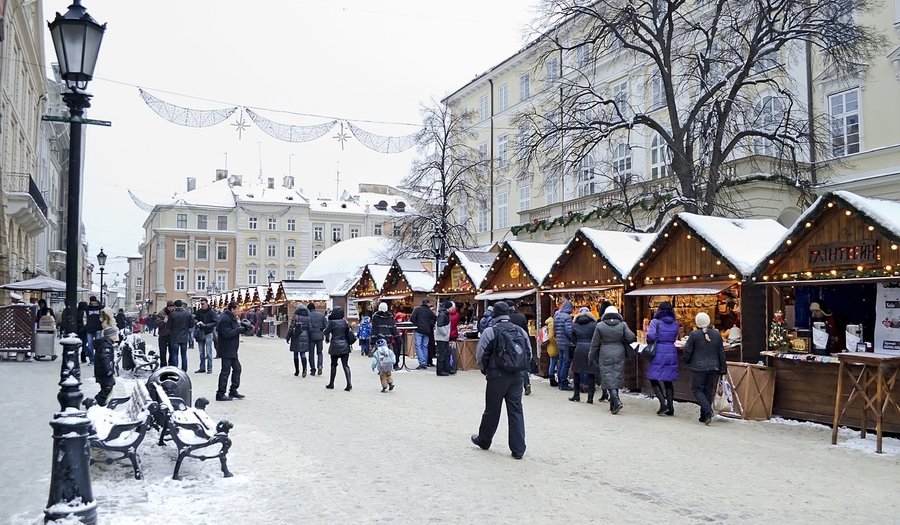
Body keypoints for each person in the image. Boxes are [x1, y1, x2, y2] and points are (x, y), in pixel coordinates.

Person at [470, 301, 528, 460]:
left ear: (494, 314)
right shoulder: (520, 331)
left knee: (492, 410)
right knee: (516, 410)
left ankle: (484, 439)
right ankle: (518, 449)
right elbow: (528, 352)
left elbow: (480, 355)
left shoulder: (490, 331)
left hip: (497, 376)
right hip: (517, 376)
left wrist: (486, 370)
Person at [589, 305, 636, 414]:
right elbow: (631, 337)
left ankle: (616, 400)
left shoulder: (600, 326)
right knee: (617, 375)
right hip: (619, 351)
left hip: (605, 352)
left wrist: (591, 356)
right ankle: (613, 404)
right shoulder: (622, 325)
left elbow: (594, 344)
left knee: (607, 375)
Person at [683, 312, 727, 425]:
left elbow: (688, 350)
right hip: (713, 367)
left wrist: (686, 360)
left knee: (697, 389)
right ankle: (704, 416)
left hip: (698, 367)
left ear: (697, 322)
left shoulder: (694, 335)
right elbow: (721, 352)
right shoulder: (716, 334)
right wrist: (723, 368)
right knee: (708, 390)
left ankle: (707, 410)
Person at [646, 301, 680, 416]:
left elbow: (650, 336)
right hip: (671, 351)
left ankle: (663, 403)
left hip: (659, 351)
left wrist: (652, 339)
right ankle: (671, 407)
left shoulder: (655, 322)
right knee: (668, 380)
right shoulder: (675, 323)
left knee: (653, 377)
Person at [216, 302, 253, 401]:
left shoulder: (232, 318)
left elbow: (235, 330)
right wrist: (240, 329)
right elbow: (227, 334)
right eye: (237, 308)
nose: (239, 310)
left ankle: (233, 390)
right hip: (226, 349)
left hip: (232, 349)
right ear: (232, 309)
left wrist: (245, 328)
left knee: (237, 369)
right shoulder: (224, 319)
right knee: (225, 372)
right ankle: (220, 393)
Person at [569, 307, 599, 403]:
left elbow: (572, 337)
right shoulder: (595, 324)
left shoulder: (575, 325)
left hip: (579, 348)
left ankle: (576, 395)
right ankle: (590, 398)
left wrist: (578, 343)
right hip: (591, 349)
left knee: (576, 372)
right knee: (591, 373)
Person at [323, 306, 354, 391]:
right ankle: (349, 384)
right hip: (345, 346)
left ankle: (331, 383)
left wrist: (325, 333)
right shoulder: (345, 322)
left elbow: (326, 332)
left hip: (335, 346)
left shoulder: (332, 322)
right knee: (346, 365)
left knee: (333, 365)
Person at [508, 302, 531, 394]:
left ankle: (512, 384)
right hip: (520, 342)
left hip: (508, 343)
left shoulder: (506, 318)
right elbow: (525, 330)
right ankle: (526, 383)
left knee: (509, 362)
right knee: (521, 363)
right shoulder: (521, 316)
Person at [93, 326, 119, 406]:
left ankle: (99, 402)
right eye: (115, 334)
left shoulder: (106, 343)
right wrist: (108, 370)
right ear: (110, 336)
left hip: (102, 370)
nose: (117, 336)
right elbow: (105, 358)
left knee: (108, 385)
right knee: (107, 386)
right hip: (104, 371)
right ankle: (97, 402)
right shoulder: (106, 345)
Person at [553, 300, 575, 391]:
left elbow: (555, 329)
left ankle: (560, 382)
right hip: (566, 342)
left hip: (559, 341)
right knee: (565, 363)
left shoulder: (557, 316)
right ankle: (563, 382)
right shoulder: (567, 317)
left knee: (561, 361)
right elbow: (568, 331)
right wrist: (573, 340)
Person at [371, 302, 401, 369]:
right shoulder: (390, 317)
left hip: (379, 338)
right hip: (388, 338)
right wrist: (397, 336)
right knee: (389, 352)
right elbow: (393, 328)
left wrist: (373, 340)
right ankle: (393, 365)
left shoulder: (375, 317)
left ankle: (381, 367)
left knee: (380, 353)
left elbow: (374, 329)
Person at [167, 300, 194, 372]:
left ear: (175, 306)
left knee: (175, 354)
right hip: (184, 337)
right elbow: (192, 324)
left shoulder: (172, 314)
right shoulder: (187, 314)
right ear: (182, 305)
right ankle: (184, 369)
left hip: (174, 337)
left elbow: (168, 326)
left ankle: (176, 369)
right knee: (184, 355)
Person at [410, 298, 436, 370]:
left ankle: (422, 362)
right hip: (427, 331)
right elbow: (434, 318)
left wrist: (416, 324)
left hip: (419, 329)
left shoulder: (417, 309)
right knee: (425, 346)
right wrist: (430, 324)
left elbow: (412, 318)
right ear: (427, 303)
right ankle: (424, 362)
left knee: (418, 346)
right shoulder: (429, 311)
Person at [194, 298, 218, 374]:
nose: (202, 305)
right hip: (200, 333)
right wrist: (197, 322)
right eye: (201, 304)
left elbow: (215, 322)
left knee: (208, 352)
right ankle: (202, 368)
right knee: (201, 352)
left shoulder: (212, 312)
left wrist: (206, 325)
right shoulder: (199, 312)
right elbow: (194, 319)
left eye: (203, 304)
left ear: (207, 303)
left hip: (208, 333)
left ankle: (209, 368)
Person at [286, 304, 311, 377]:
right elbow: (310, 328)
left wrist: (288, 337)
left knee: (295, 354)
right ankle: (305, 369)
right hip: (305, 337)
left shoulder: (295, 316)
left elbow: (291, 327)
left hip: (296, 337)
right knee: (303, 354)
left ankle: (297, 371)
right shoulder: (307, 317)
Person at [307, 303, 327, 376]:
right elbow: (326, 326)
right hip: (320, 336)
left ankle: (313, 370)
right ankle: (320, 365)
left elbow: (307, 327)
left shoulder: (308, 316)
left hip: (311, 337)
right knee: (319, 352)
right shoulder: (321, 315)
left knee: (311, 354)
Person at [435, 301, 452, 376]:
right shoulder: (442, 315)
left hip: (443, 338)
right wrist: (445, 333)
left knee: (445, 353)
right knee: (442, 354)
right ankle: (440, 370)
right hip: (441, 338)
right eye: (451, 307)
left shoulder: (444, 314)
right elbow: (439, 325)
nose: (452, 308)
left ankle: (446, 369)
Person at [84, 296, 103, 365]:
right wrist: (85, 325)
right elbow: (85, 318)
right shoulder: (87, 309)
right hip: (89, 328)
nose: (93, 302)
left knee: (98, 345)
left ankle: (97, 359)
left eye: (94, 301)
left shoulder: (101, 308)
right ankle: (92, 360)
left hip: (98, 328)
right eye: (92, 301)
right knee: (90, 346)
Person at [156, 301, 174, 367]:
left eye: (172, 307)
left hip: (172, 335)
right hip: (163, 335)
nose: (171, 308)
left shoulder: (174, 313)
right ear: (167, 307)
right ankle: (163, 366)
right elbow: (156, 323)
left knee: (172, 352)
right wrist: (163, 321)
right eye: (169, 307)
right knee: (162, 352)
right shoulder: (161, 313)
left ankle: (171, 365)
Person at [544, 314, 559, 387]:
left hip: (551, 346)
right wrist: (555, 342)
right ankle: (552, 380)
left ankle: (552, 379)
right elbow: (550, 336)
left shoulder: (549, 322)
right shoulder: (552, 323)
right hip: (553, 346)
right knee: (553, 362)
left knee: (553, 362)